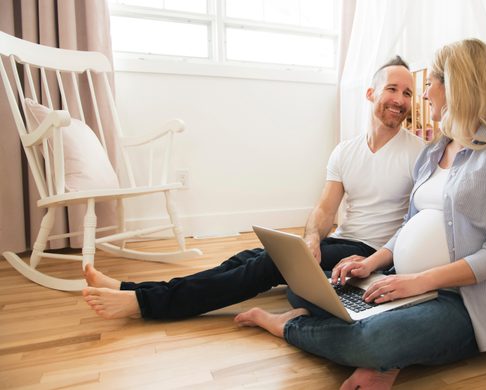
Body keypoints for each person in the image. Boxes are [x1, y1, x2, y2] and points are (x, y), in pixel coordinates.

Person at [234, 38, 486, 390]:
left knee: (370, 341)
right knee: (306, 288)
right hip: (401, 282)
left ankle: (291, 327)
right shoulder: (434, 149)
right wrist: (372, 264)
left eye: (429, 85)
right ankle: (383, 353)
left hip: (459, 299)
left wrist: (421, 280)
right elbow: (413, 223)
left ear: (455, 84)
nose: (425, 95)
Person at [82, 56, 426, 320]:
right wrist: (311, 239)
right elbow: (324, 209)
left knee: (267, 264)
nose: (399, 99)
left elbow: (418, 223)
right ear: (371, 94)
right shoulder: (345, 151)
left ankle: (144, 304)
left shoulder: (419, 154)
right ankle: (134, 289)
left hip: (369, 252)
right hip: (339, 239)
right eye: (392, 89)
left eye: (408, 93)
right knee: (247, 256)